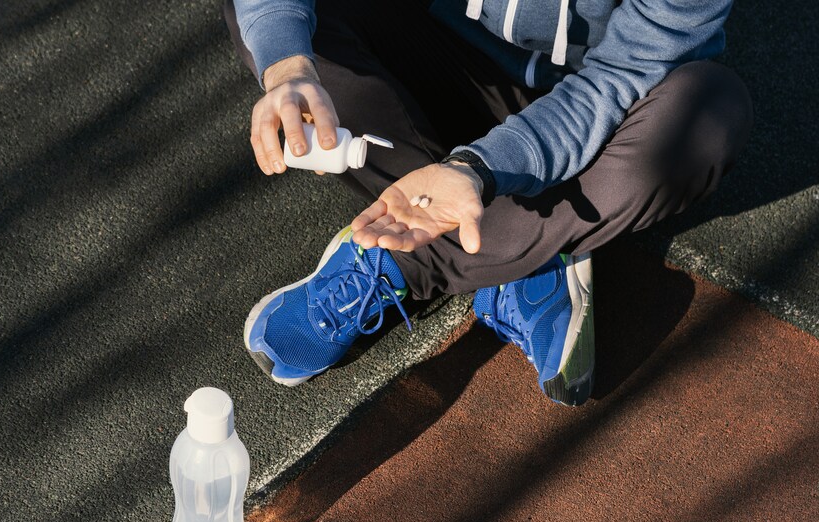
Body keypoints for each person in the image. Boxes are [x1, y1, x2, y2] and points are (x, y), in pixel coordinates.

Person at [226, 0, 752, 405]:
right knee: (277, 23)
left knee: (709, 113)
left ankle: (415, 258)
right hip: (437, 44)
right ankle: (530, 244)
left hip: (598, 112)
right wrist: (288, 70)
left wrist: (475, 170)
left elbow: (618, 79)